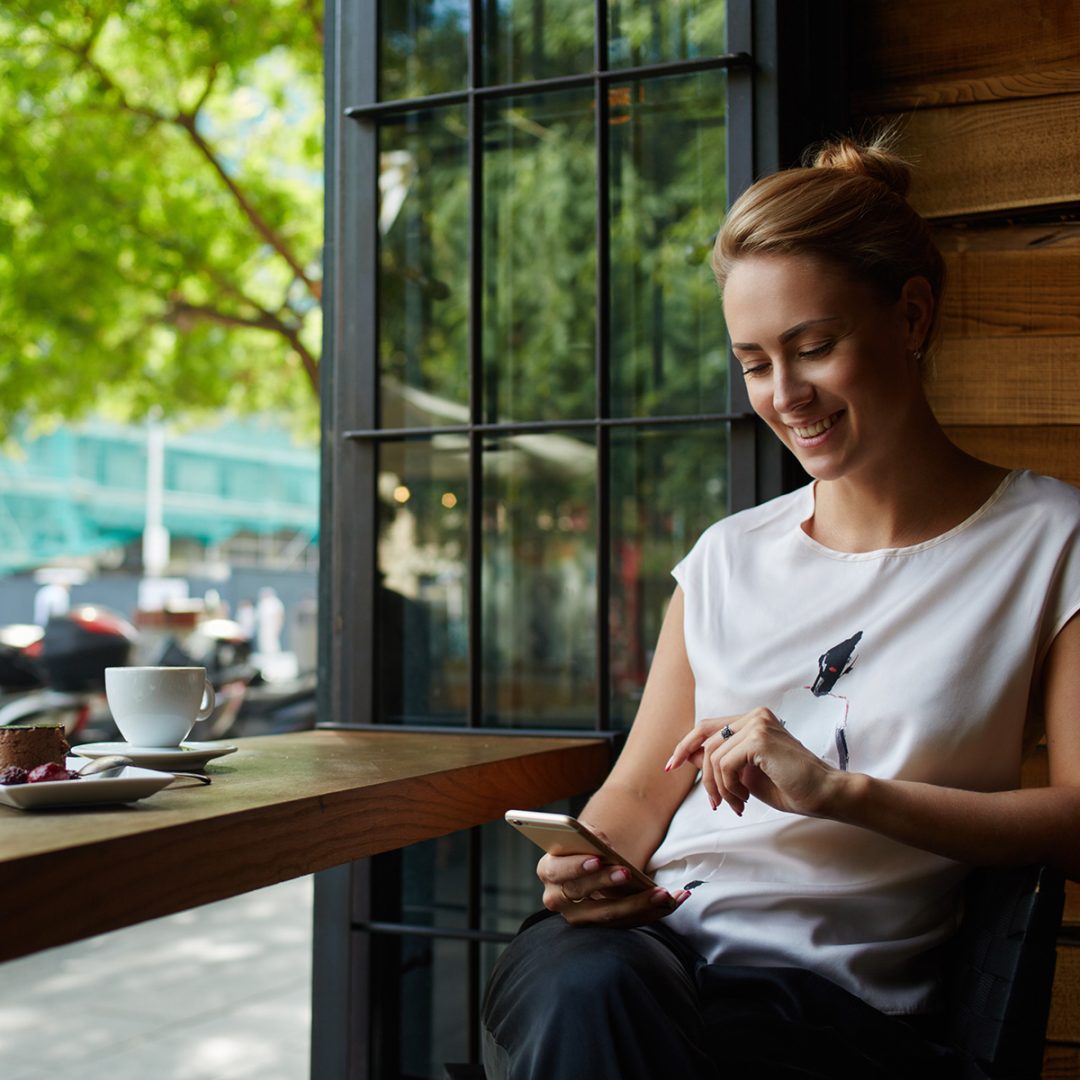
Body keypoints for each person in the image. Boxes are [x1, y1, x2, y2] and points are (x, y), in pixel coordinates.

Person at [481, 131, 1080, 1079]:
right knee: (590, 986)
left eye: (814, 347)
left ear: (913, 316)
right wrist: (589, 867)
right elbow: (641, 793)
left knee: (620, 1028)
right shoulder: (727, 556)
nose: (785, 394)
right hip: (642, 958)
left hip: (833, 1009)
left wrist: (838, 791)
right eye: (755, 362)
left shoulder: (1049, 539)